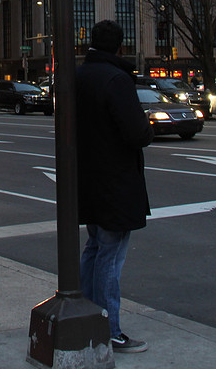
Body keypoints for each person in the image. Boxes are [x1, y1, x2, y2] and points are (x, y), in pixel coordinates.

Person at [76, 20, 154, 354]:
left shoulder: (78, 76)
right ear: (120, 46)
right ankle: (109, 329)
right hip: (115, 182)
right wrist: (146, 124)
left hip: (88, 179)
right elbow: (137, 133)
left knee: (95, 249)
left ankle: (86, 318)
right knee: (110, 257)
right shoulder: (116, 79)